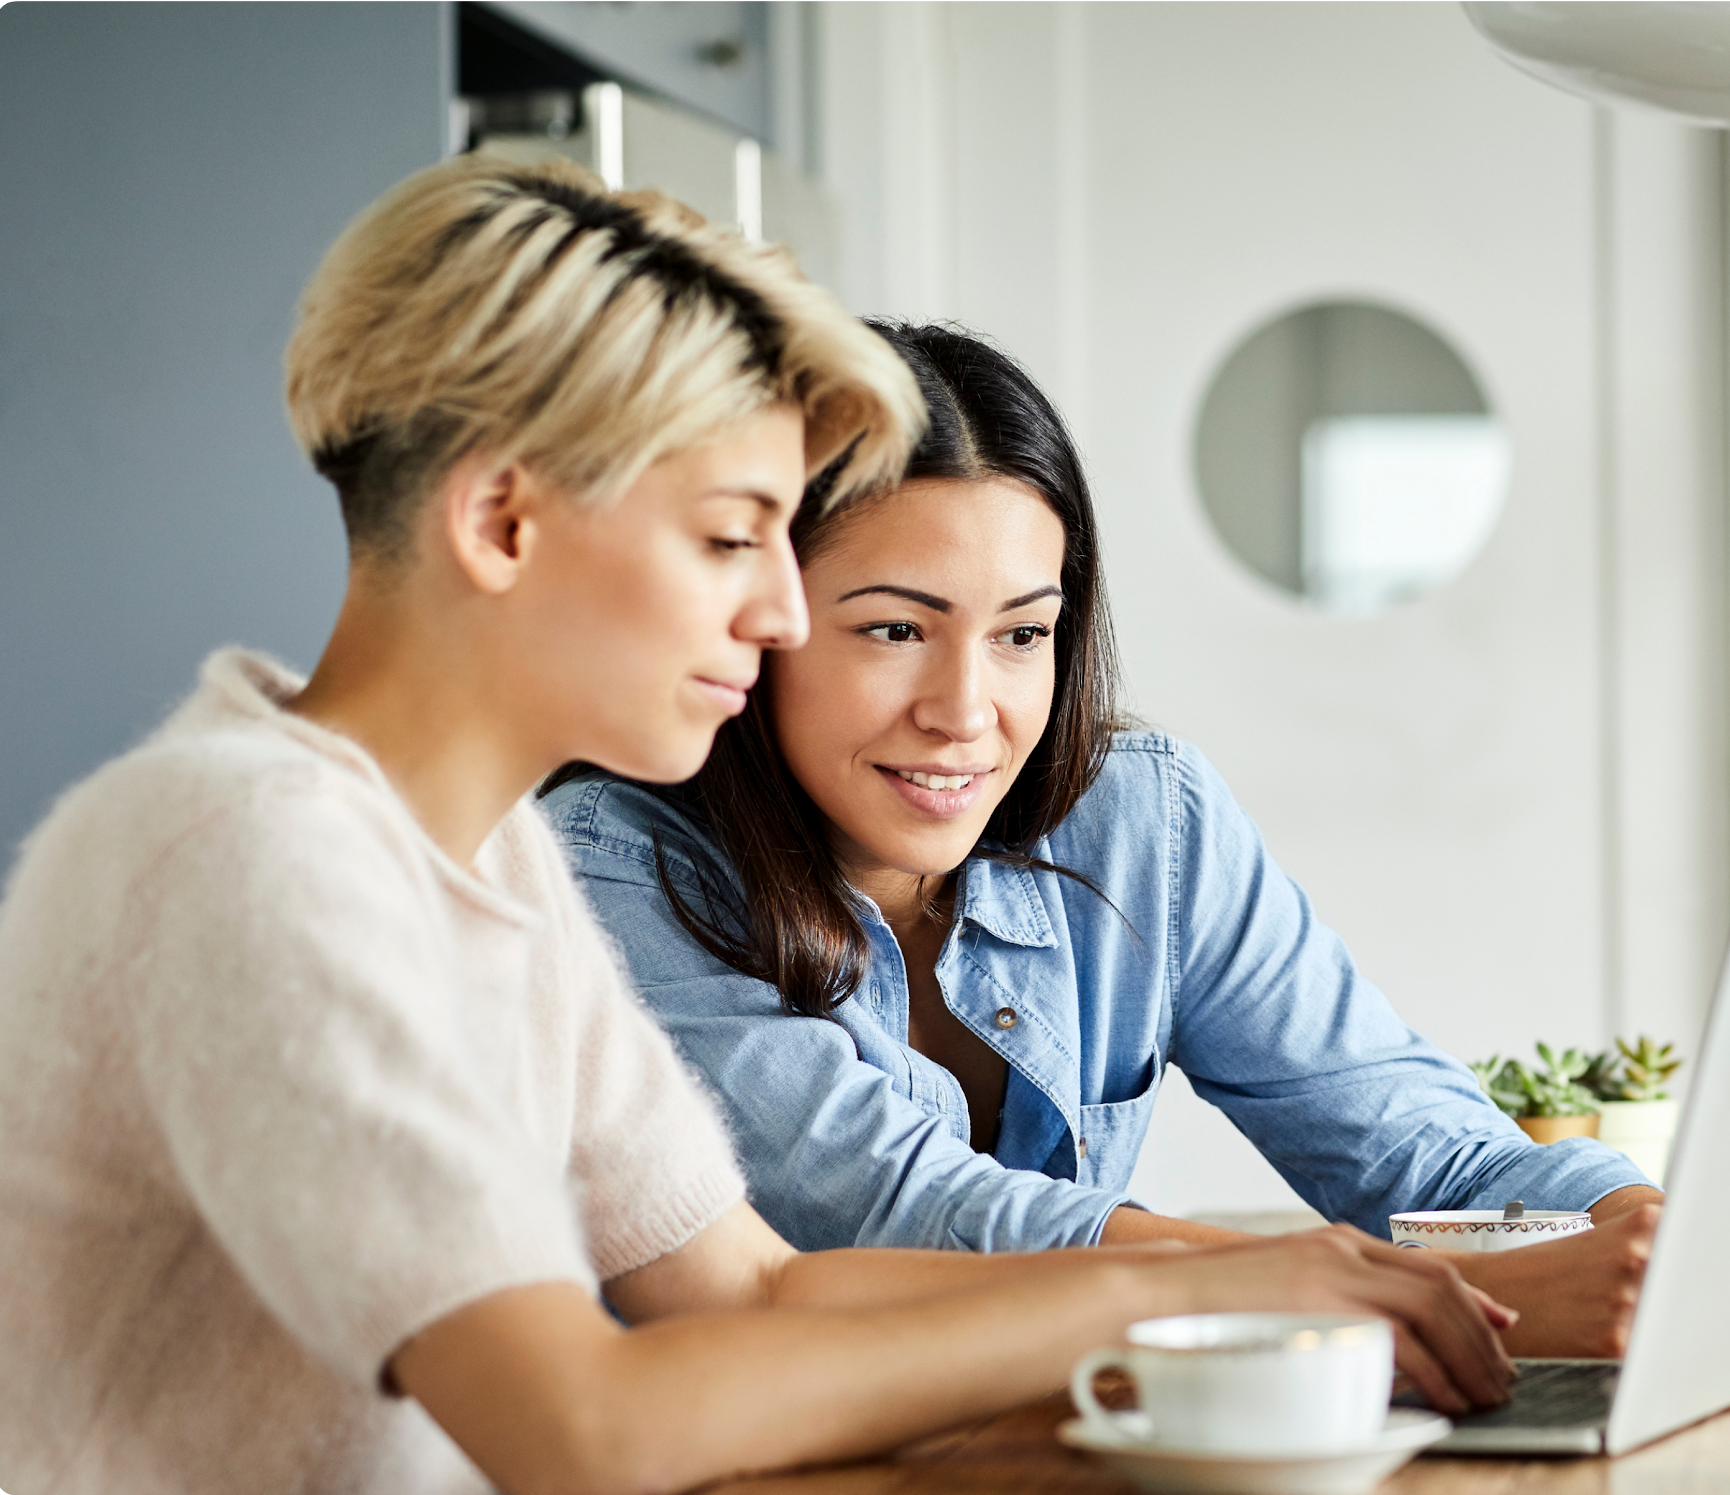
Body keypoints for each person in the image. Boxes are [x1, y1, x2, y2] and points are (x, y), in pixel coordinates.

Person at [0, 157, 1515, 1495]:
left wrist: (1256, 1290)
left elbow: (750, 1293)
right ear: (502, 521)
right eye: (733, 536)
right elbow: (581, 1432)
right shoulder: (251, 854)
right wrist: (1169, 1295)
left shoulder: (484, 855)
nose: (785, 611)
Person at [544, 321, 1730, 1364]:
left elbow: (1398, 1126)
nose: (966, 711)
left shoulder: (1136, 816)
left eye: (1025, 634)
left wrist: (1666, 1239)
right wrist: (1405, 1295)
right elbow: (899, 1213)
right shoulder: (614, 865)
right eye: (892, 629)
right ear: (768, 619)